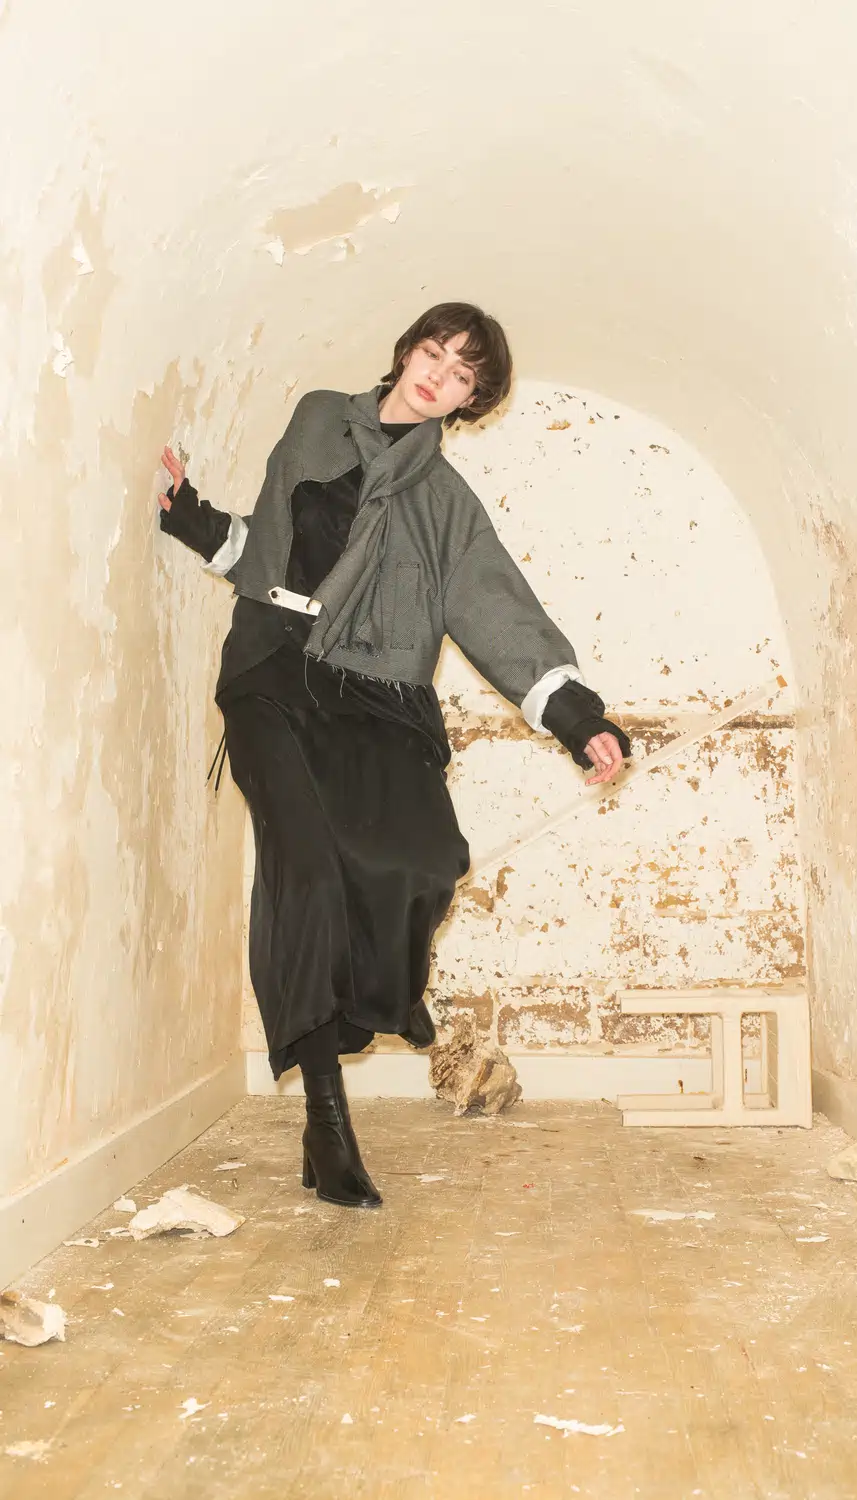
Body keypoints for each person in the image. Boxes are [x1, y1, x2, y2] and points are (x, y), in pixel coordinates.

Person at [158, 302, 630, 1210]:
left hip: (375, 694)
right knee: (306, 870)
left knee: (423, 859)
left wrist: (577, 717)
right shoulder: (316, 419)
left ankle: (371, 993)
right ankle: (326, 1122)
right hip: (273, 673)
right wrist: (190, 517)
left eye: (462, 375)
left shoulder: (446, 505)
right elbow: (271, 547)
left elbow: (495, 608)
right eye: (434, 353)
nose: (438, 377)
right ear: (408, 349)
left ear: (470, 401)